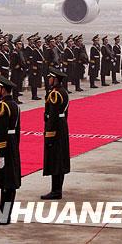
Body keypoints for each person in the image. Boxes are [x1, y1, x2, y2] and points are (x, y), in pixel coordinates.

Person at [0, 75, 21, 225]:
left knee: (7, 183)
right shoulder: (14, 105)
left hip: (4, 147)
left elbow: (0, 132)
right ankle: (5, 214)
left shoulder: (2, 106)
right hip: (12, 145)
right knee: (10, 182)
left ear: (3, 89)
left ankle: (3, 216)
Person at [41, 67, 70, 200]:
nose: (49, 79)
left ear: (55, 79)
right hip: (62, 125)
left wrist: (49, 133)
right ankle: (57, 189)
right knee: (60, 159)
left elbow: (51, 116)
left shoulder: (55, 94)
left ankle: (56, 190)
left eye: (50, 77)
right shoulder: (63, 92)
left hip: (55, 128)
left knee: (55, 159)